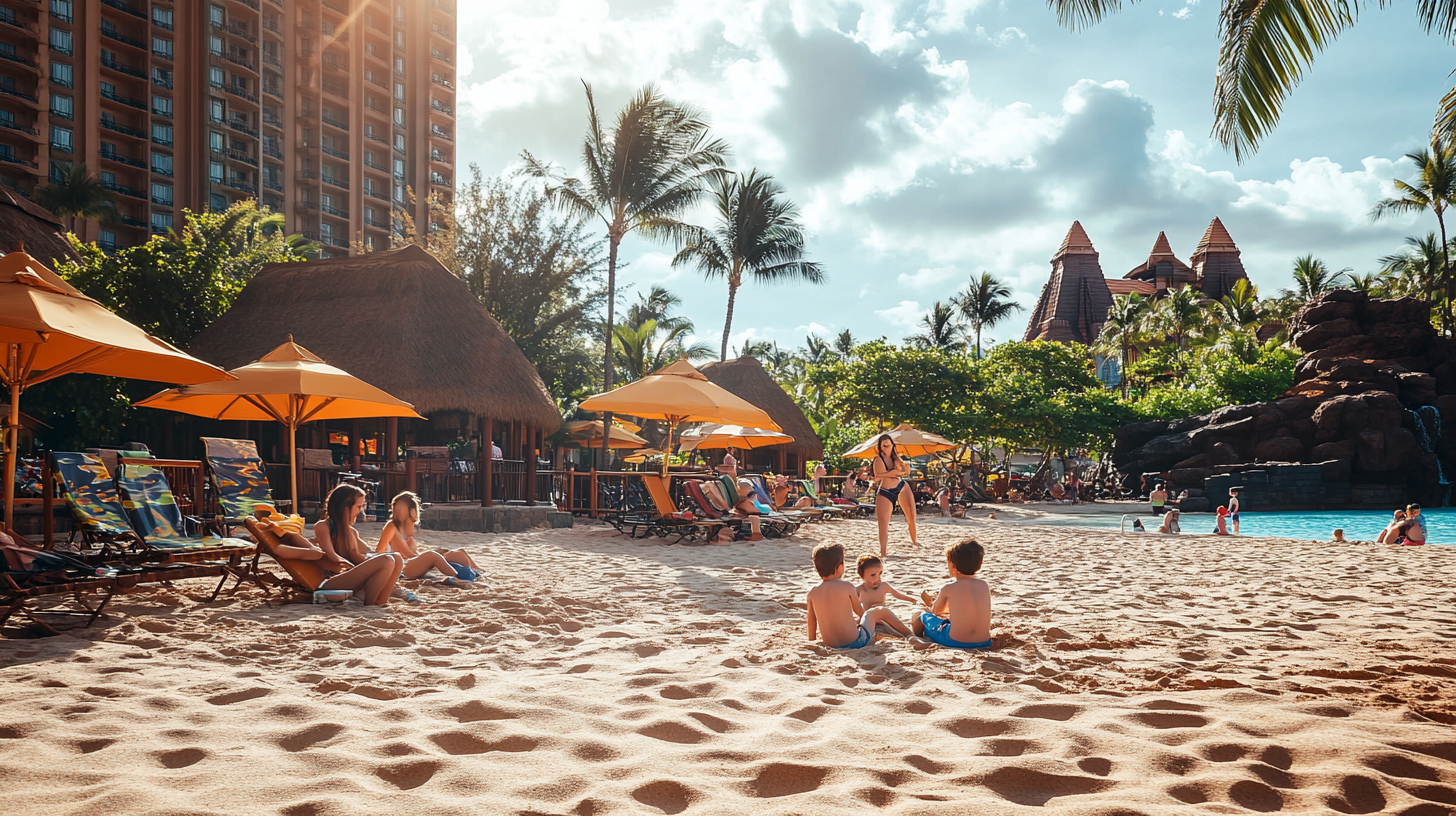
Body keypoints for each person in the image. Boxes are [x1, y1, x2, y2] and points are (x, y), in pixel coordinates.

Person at [262, 484, 404, 605]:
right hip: (328, 582)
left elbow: (361, 555)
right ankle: (371, 605)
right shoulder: (323, 526)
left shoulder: (351, 532)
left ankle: (380, 602)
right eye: (359, 506)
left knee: (396, 557)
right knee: (387, 560)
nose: (361, 510)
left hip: (346, 577)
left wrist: (366, 561)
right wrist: (344, 562)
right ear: (345, 508)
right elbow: (331, 554)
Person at [805, 543, 914, 649]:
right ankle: (910, 634)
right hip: (857, 642)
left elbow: (811, 621)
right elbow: (861, 613)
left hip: (831, 645)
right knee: (878, 611)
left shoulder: (812, 593)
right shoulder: (847, 587)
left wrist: (812, 642)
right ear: (840, 568)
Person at [377, 491, 483, 587]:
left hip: (410, 564)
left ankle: (479, 573)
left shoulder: (404, 530)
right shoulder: (392, 526)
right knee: (433, 556)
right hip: (402, 568)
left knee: (459, 552)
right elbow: (383, 551)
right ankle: (456, 578)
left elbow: (413, 555)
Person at [912, 539, 992, 650]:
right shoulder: (984, 585)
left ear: (953, 566)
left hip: (955, 641)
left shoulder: (949, 588)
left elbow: (936, 611)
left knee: (920, 614)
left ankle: (917, 637)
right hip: (984, 642)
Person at [870, 434, 918, 558]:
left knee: (912, 515)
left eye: (888, 444)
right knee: (884, 523)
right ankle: (883, 551)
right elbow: (878, 476)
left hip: (901, 485)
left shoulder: (897, 458)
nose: (886, 446)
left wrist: (905, 470)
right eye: (883, 444)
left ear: (892, 445)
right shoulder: (878, 459)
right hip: (886, 491)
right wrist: (894, 472)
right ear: (880, 447)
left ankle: (915, 541)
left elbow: (904, 473)